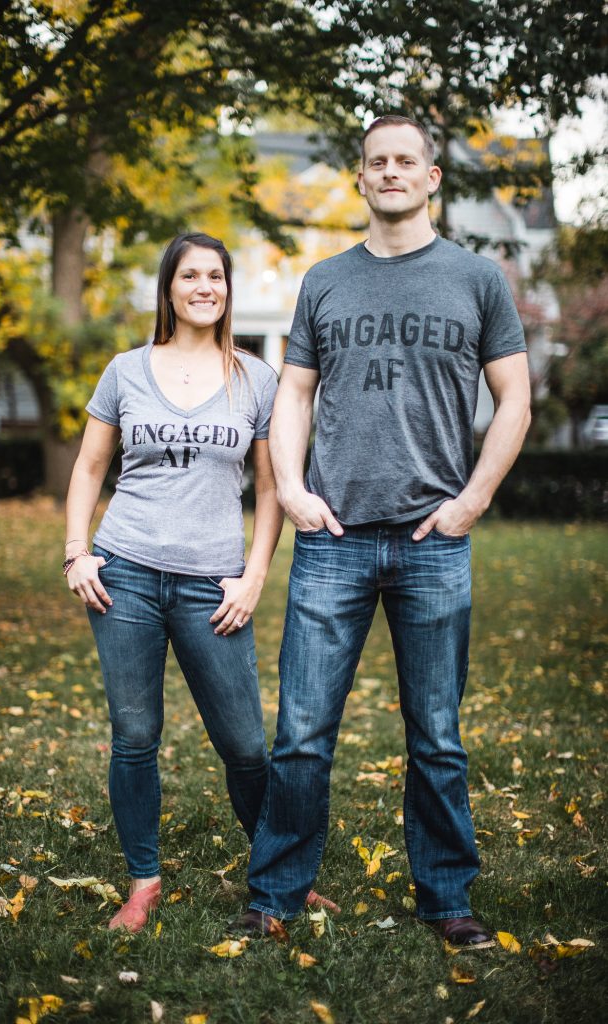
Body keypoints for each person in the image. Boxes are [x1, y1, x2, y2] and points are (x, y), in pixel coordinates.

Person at [232, 115, 531, 946]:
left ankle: (446, 899)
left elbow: (515, 398)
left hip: (436, 541)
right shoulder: (324, 280)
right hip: (332, 539)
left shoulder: (477, 279)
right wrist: (290, 487)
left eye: (406, 161)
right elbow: (292, 394)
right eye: (376, 162)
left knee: (436, 738)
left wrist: (471, 501)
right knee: (300, 735)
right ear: (359, 178)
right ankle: (276, 896)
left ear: (433, 177)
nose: (390, 172)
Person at [62, 232, 284, 933]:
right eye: (189, 275)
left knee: (246, 744)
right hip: (123, 573)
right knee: (134, 736)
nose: (203, 287)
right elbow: (89, 469)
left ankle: (281, 875)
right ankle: (142, 882)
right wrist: (77, 554)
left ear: (226, 289)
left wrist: (253, 576)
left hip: (212, 585)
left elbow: (272, 492)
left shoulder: (256, 378)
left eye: (215, 276)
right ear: (168, 288)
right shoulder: (125, 370)